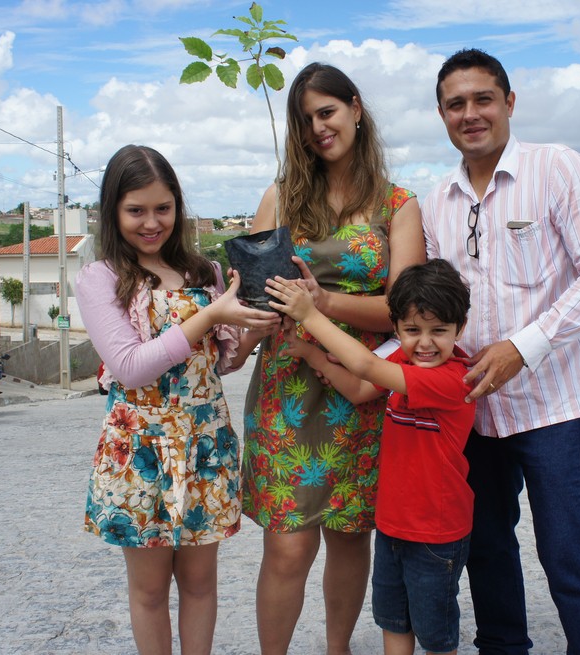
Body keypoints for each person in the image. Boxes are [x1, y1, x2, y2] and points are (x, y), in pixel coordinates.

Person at [420, 49, 580, 654]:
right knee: (485, 546)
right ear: (441, 114)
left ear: (509, 102)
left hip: (554, 399)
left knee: (570, 550)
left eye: (483, 99)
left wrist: (523, 346)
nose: (470, 113)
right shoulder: (438, 204)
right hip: (475, 406)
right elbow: (435, 308)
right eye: (456, 104)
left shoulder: (557, 168)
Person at [240, 62, 426, 654]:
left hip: (359, 389)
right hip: (287, 388)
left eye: (327, 112)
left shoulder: (398, 204)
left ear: (355, 109)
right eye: (306, 120)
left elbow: (408, 311)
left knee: (350, 536)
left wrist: (324, 302)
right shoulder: (280, 197)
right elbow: (252, 294)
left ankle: (337, 649)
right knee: (288, 544)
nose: (319, 128)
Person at [75, 144, 281, 654]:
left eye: (162, 208)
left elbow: (220, 363)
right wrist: (210, 317)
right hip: (140, 452)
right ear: (112, 211)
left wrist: (258, 326)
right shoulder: (100, 278)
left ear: (178, 206)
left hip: (204, 445)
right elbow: (129, 367)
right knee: (149, 592)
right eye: (135, 210)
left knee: (200, 584)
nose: (151, 222)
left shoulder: (204, 273)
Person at [266, 258, 476, 655]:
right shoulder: (403, 361)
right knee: (393, 621)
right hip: (393, 525)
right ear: (396, 329)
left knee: (436, 635)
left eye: (439, 331)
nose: (425, 343)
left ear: (460, 329)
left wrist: (310, 314)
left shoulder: (451, 379)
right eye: (412, 330)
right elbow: (361, 389)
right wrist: (311, 356)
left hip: (436, 532)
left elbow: (364, 364)